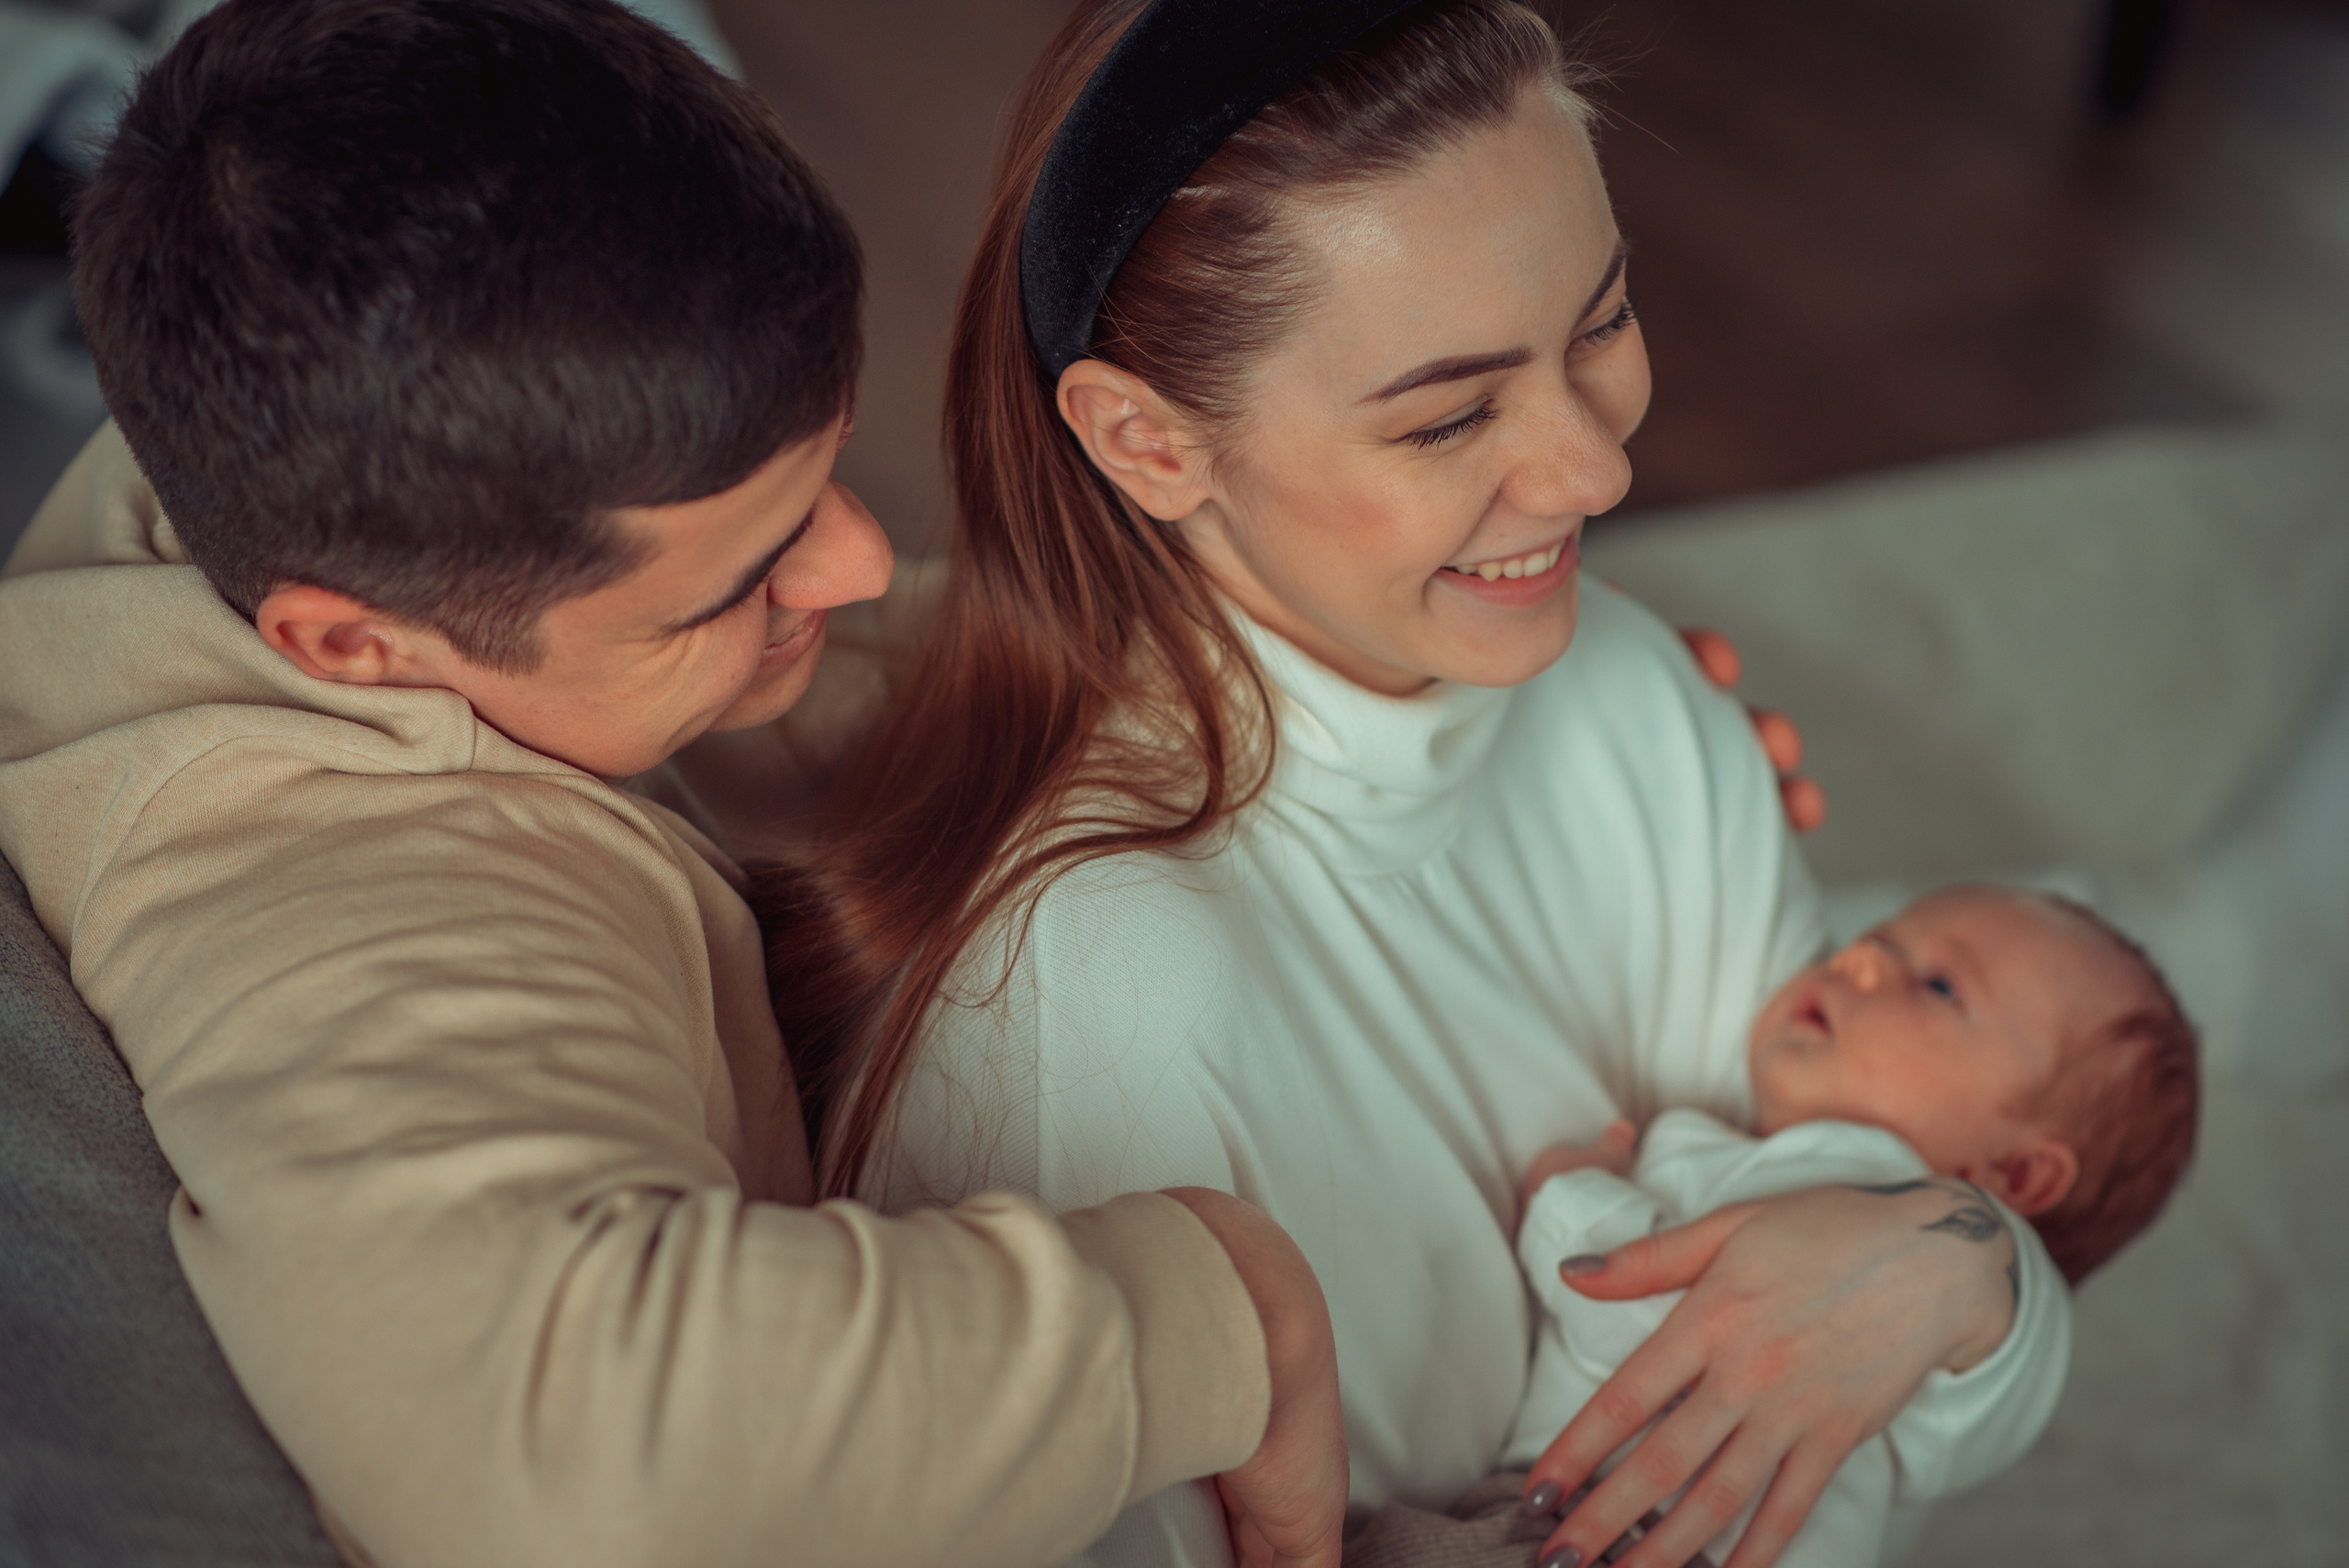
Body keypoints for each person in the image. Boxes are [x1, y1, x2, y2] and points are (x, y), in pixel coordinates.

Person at [0, 2, 1353, 1564]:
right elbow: (581, 1465)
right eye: (732, 584)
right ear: (355, 643)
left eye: (826, 471)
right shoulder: (355, 918)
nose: (854, 563)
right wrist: (1221, 1312)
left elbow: (868, 656)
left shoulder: (326, 461)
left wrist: (1408, 667)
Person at [765, 5, 2075, 1568]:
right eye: (1451, 412)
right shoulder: (1089, 1002)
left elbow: (1858, 1178)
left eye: (1600, 322)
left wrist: (1966, 1268)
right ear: (1149, 441)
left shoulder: (1634, 696)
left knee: (2035, 998)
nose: (1596, 473)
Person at [1342, 885, 2199, 1568]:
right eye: (1881, 936)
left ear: (2011, 1175)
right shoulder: (1949, 1350)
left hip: (1569, 1530)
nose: (1861, 957)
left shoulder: (1843, 1179)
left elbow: (1622, 1292)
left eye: (1937, 984)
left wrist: (1568, 1193)